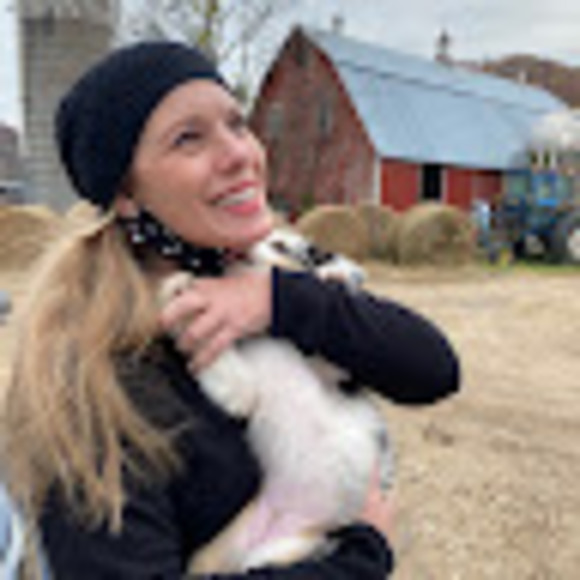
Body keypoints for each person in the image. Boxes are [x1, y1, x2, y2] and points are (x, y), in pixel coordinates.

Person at [0, 41, 460, 579]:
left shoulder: (276, 274)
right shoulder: (96, 387)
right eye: (188, 138)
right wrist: (360, 559)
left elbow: (432, 370)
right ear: (124, 193)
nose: (241, 154)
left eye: (237, 124)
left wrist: (278, 300)